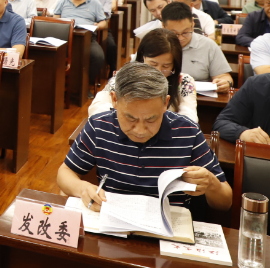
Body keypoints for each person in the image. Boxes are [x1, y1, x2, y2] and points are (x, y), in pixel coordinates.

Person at [59, 62, 232, 211]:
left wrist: (211, 183)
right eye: (131, 118)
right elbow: (65, 173)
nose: (140, 130)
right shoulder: (99, 125)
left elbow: (225, 202)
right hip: (111, 220)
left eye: (151, 119)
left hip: (170, 228)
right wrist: (82, 188)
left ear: (165, 103)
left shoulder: (188, 131)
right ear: (114, 100)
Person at [89, 28, 198, 123]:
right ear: (142, 57)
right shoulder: (124, 76)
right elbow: (97, 108)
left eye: (166, 66)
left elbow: (189, 117)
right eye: (153, 64)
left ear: (175, 65)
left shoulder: (184, 82)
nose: (158, 71)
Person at [160, 2, 231, 92]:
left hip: (199, 97)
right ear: (163, 26)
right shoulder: (154, 44)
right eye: (174, 33)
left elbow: (224, 76)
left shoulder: (208, 45)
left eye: (185, 32)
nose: (180, 38)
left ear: (193, 23)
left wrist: (225, 82)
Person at [53, 0, 108, 82]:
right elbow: (56, 18)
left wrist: (97, 26)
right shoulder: (63, 1)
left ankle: (86, 83)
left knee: (98, 57)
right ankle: (60, 82)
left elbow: (103, 22)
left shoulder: (95, 3)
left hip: (86, 38)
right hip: (65, 37)